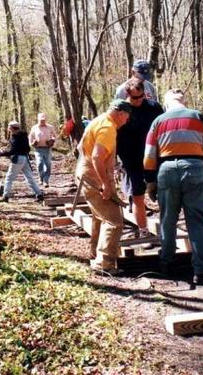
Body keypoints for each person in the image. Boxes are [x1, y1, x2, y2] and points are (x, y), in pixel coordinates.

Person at [143, 89, 203, 285]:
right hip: (194, 167)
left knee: (167, 219)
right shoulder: (198, 117)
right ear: (184, 102)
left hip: (166, 170)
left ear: (167, 104)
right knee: (197, 220)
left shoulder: (157, 121)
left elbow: (149, 156)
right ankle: (202, 270)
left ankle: (167, 264)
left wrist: (150, 181)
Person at [76, 99, 132, 275]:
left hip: (85, 173)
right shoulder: (108, 128)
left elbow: (80, 147)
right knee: (114, 222)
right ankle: (104, 264)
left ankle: (94, 255)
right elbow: (96, 157)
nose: (126, 122)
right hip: (94, 178)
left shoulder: (97, 120)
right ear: (121, 113)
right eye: (127, 118)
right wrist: (105, 184)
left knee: (100, 218)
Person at [116, 77, 163, 240]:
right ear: (127, 95)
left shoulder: (154, 107)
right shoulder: (122, 110)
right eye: (134, 97)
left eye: (141, 96)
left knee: (162, 192)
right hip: (131, 160)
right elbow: (114, 136)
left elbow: (162, 130)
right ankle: (143, 230)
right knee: (137, 195)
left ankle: (166, 226)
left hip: (154, 158)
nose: (138, 100)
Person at [0, 121, 43, 202]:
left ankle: (5, 196)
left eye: (9, 127)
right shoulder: (24, 136)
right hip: (25, 158)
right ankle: (39, 194)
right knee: (30, 178)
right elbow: (27, 149)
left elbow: (13, 151)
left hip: (18, 159)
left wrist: (1, 153)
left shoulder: (15, 137)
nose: (8, 129)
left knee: (9, 178)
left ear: (12, 128)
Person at [28, 113, 57, 187]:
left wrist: (53, 141)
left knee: (48, 164)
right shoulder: (34, 127)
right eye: (41, 120)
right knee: (39, 163)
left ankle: (46, 181)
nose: (42, 121)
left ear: (46, 120)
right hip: (38, 148)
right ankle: (40, 178)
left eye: (43, 120)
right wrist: (31, 143)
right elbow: (30, 136)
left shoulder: (50, 127)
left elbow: (55, 136)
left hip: (47, 148)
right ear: (38, 120)